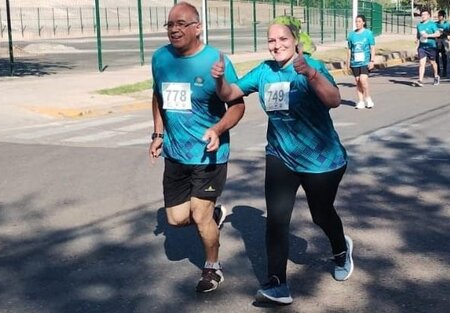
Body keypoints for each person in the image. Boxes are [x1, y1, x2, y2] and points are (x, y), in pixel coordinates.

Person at [211, 16, 353, 305]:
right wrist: (219, 79)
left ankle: (341, 250)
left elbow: (334, 99)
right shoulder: (264, 71)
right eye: (272, 41)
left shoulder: (311, 66)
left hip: (321, 159)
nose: (276, 46)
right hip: (281, 155)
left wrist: (312, 76)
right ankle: (277, 284)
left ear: (296, 41)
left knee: (321, 214)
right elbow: (231, 93)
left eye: (283, 39)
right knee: (276, 219)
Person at [149, 1, 245, 293]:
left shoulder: (216, 60)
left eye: (181, 24)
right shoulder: (160, 58)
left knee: (200, 217)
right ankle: (215, 217)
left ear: (197, 27)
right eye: (170, 24)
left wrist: (217, 129)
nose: (174, 30)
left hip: (209, 153)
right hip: (176, 154)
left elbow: (237, 105)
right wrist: (157, 134)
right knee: (176, 219)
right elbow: (158, 95)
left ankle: (212, 268)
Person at [346, 14, 376, 109]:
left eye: (359, 21)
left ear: (363, 22)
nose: (357, 23)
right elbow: (349, 49)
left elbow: (372, 47)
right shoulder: (351, 35)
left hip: (365, 61)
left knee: (363, 80)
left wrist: (372, 60)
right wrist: (348, 61)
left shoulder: (368, 33)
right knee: (357, 81)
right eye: (356, 21)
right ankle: (360, 101)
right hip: (355, 62)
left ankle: (367, 97)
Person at [413, 8, 441, 87]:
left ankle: (436, 76)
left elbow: (438, 34)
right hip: (422, 47)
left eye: (425, 15)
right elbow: (418, 36)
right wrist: (416, 41)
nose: (423, 16)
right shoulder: (419, 25)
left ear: (429, 16)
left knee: (433, 62)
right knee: (422, 64)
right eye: (422, 15)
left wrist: (428, 35)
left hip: (431, 46)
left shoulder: (432, 24)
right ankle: (420, 80)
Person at [435, 10, 450, 77]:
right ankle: (438, 70)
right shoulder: (435, 23)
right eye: (438, 15)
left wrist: (443, 32)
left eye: (440, 15)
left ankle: (444, 70)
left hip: (444, 41)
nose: (438, 17)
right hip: (437, 40)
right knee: (436, 56)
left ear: (443, 16)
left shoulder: (447, 24)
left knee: (444, 56)